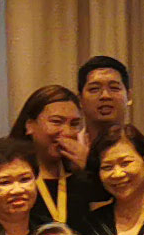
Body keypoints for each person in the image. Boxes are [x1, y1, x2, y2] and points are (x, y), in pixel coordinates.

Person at [12, 83, 93, 225]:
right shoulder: (13, 178)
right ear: (30, 125)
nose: (67, 132)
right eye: (56, 122)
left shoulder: (82, 175)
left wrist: (90, 166)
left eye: (74, 124)